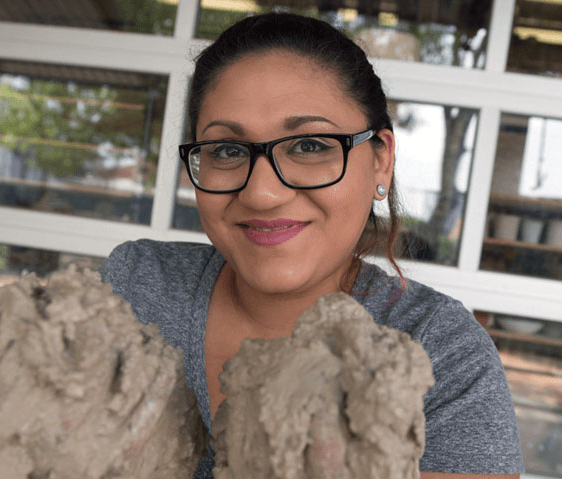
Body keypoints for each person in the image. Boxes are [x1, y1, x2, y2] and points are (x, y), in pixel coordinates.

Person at [99, 12, 523, 479]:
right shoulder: (134, 291)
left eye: (309, 146)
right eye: (226, 150)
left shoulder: (444, 358)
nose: (261, 194)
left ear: (381, 162)